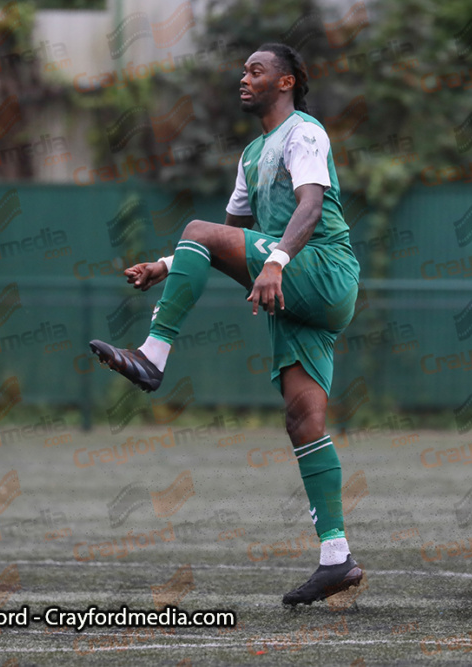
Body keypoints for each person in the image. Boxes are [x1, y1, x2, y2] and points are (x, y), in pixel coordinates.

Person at [89, 43, 362, 607]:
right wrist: (166, 266)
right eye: (243, 70)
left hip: (321, 268)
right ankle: (337, 559)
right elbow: (222, 235)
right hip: (293, 284)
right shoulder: (252, 154)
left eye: (256, 70)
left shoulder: (305, 133)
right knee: (303, 418)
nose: (244, 78)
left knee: (197, 227)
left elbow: (310, 208)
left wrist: (276, 262)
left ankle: (154, 356)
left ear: (287, 81)